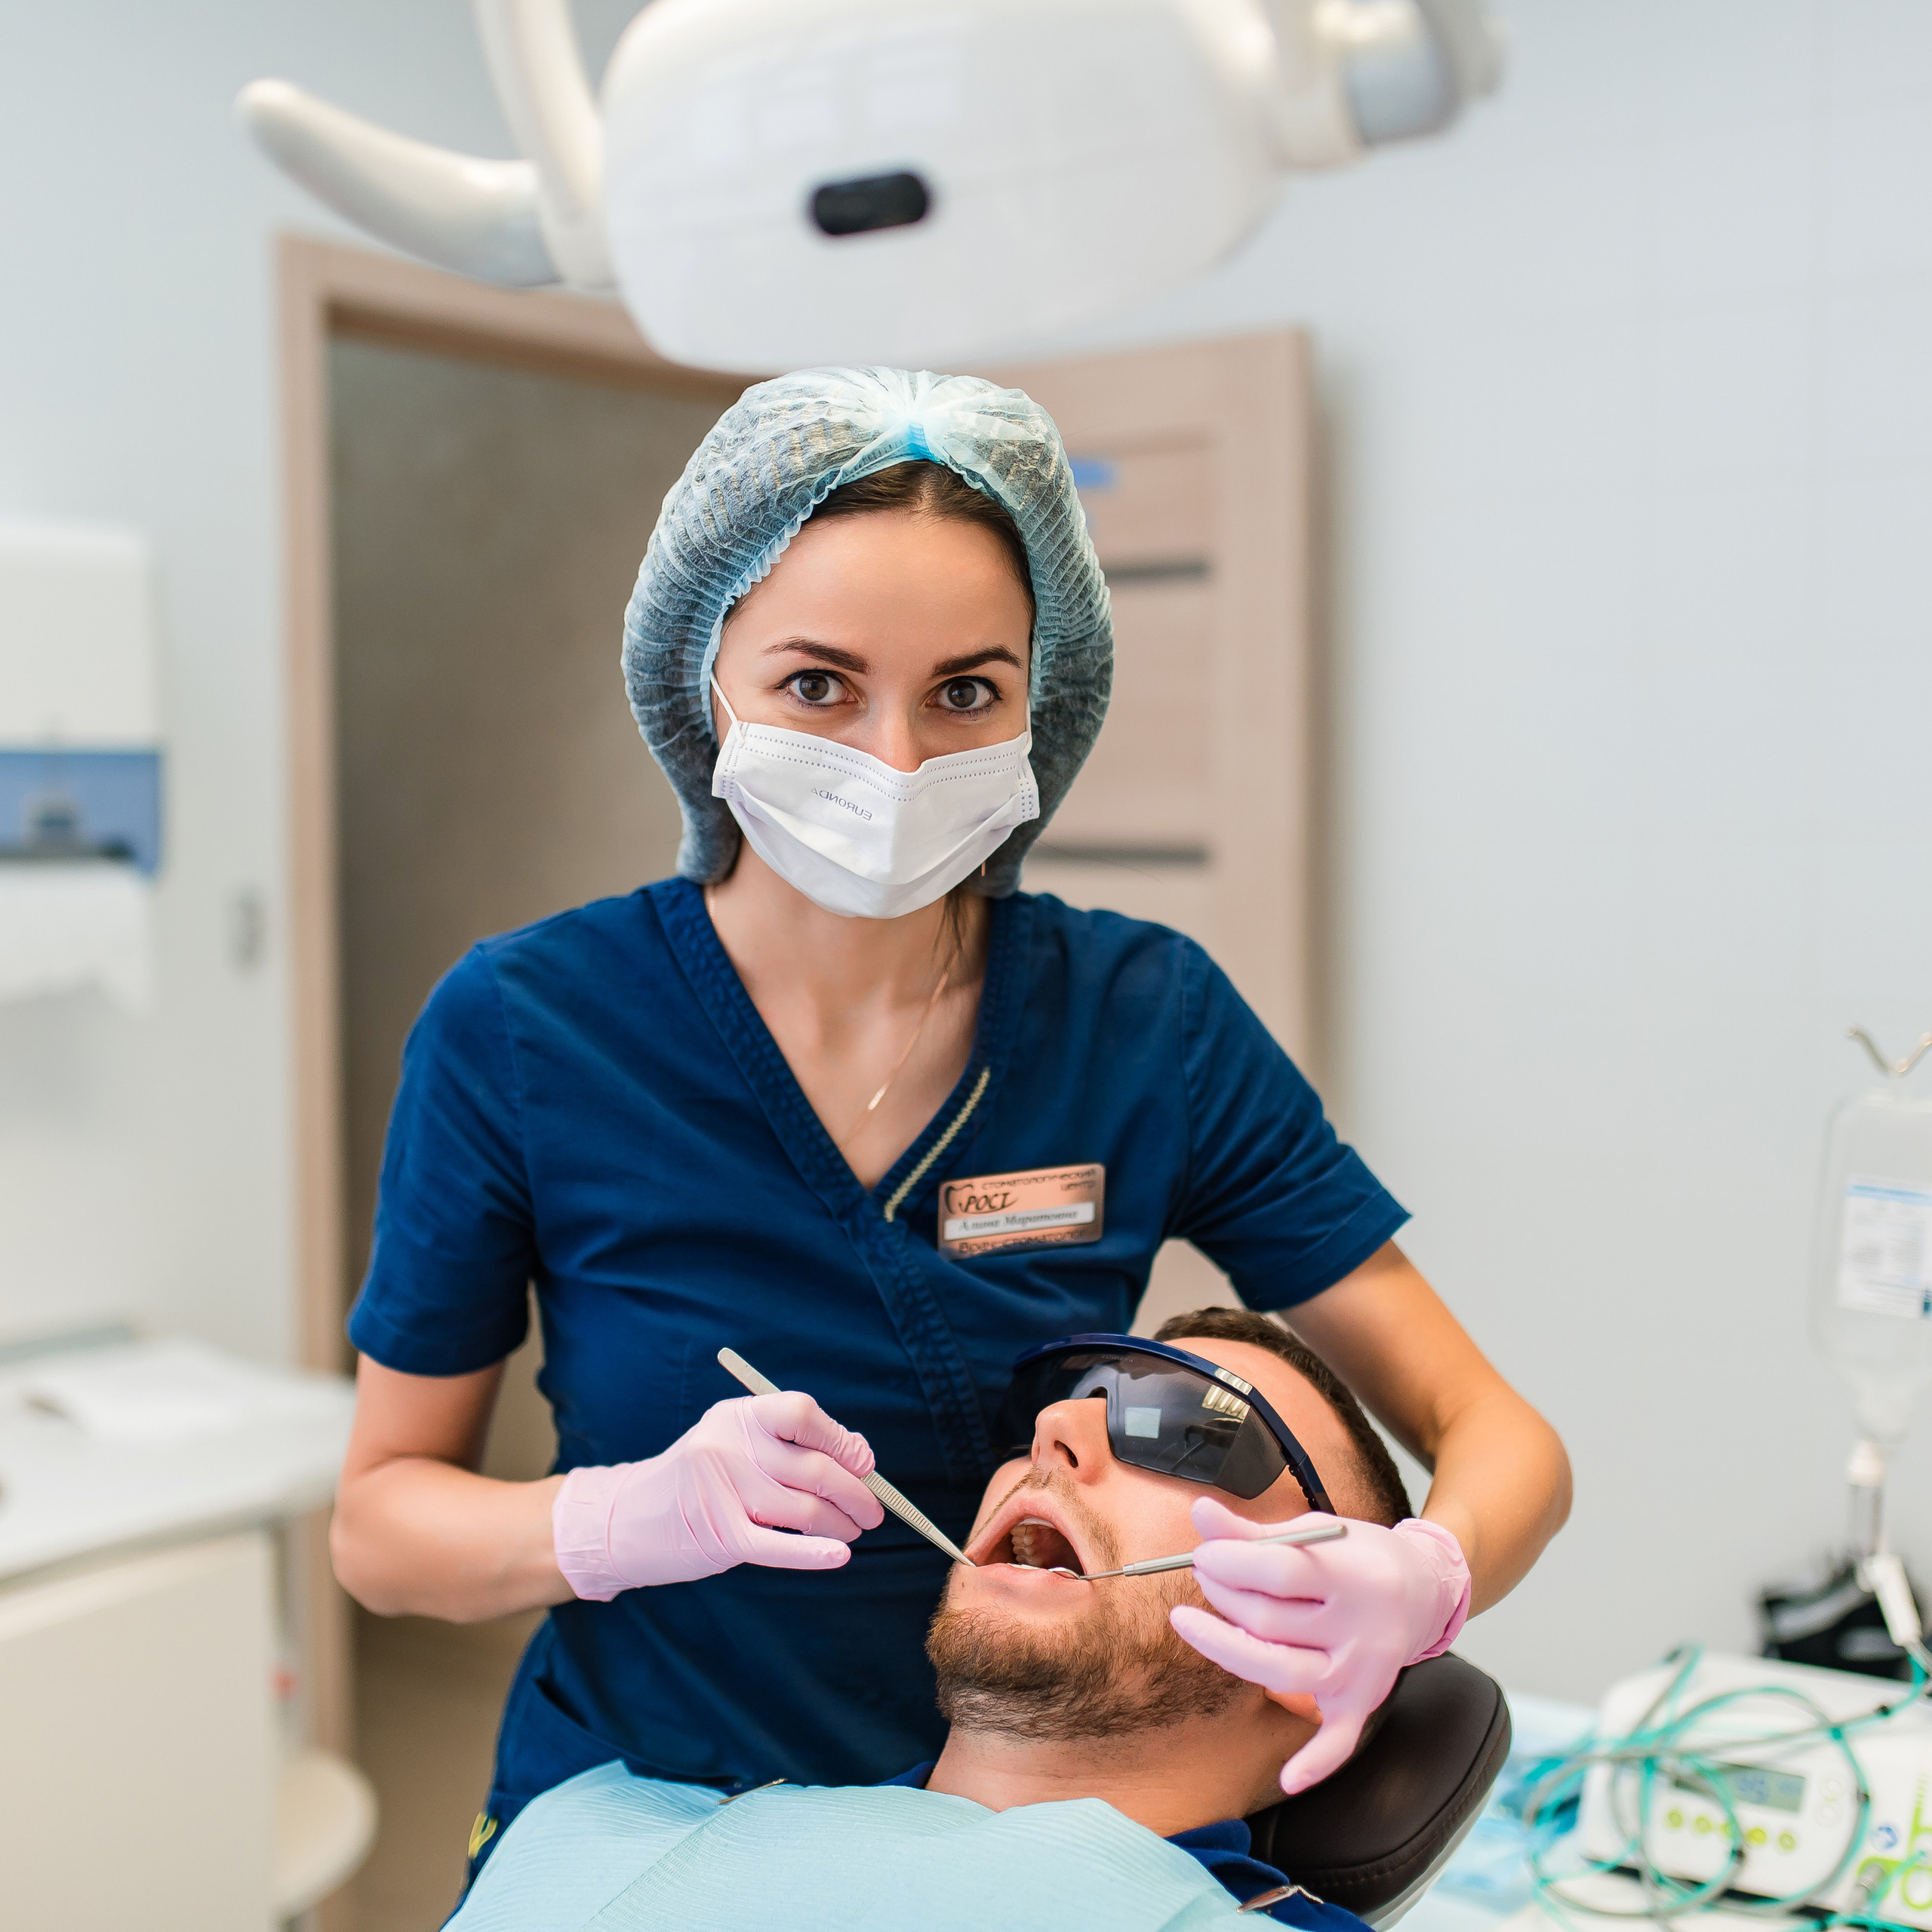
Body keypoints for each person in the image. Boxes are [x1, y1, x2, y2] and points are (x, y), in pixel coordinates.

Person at [331, 368, 1571, 1880]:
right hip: (641, 1818)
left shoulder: (1144, 1020)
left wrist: (1425, 1570)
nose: (894, 760)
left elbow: (1496, 1434)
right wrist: (618, 1518)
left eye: (962, 691)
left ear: (1039, 705)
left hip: (1020, 1841)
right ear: (696, 672)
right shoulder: (528, 1025)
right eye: (817, 685)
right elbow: (381, 1527)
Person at [448, 1311, 1428, 1932]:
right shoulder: (589, 1820)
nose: (1060, 1429)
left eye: (1189, 1432)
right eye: (1079, 1398)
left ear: (1320, 1641)